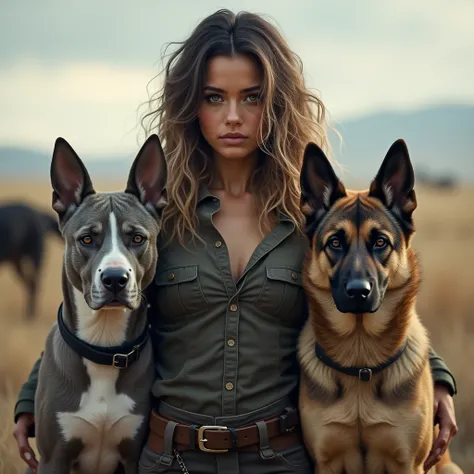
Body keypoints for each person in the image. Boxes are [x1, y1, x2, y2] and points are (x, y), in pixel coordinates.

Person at [12, 9, 458, 474]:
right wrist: (31, 396)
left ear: (277, 103)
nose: (232, 116)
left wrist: (438, 379)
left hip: (281, 458)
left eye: (251, 97)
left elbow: (376, 294)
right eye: (214, 97)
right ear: (191, 104)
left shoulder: (311, 215)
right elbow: (87, 311)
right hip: (172, 459)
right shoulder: (159, 218)